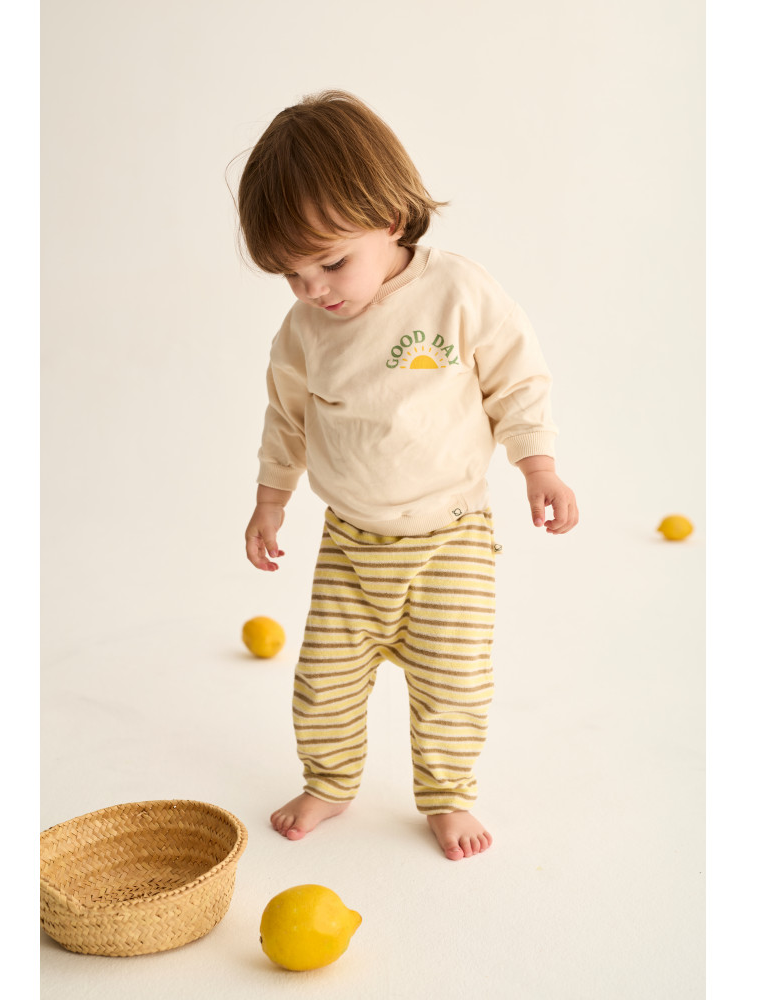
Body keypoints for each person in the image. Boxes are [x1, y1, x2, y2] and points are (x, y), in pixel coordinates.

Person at [236, 91, 578, 861]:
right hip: (350, 544)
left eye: (330, 262)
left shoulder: (456, 293)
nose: (314, 289)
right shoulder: (304, 330)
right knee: (323, 683)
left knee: (453, 684)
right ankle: (330, 781)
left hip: (449, 538)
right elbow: (286, 417)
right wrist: (270, 500)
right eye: (291, 274)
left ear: (390, 218)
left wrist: (539, 466)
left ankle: (448, 793)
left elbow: (517, 379)